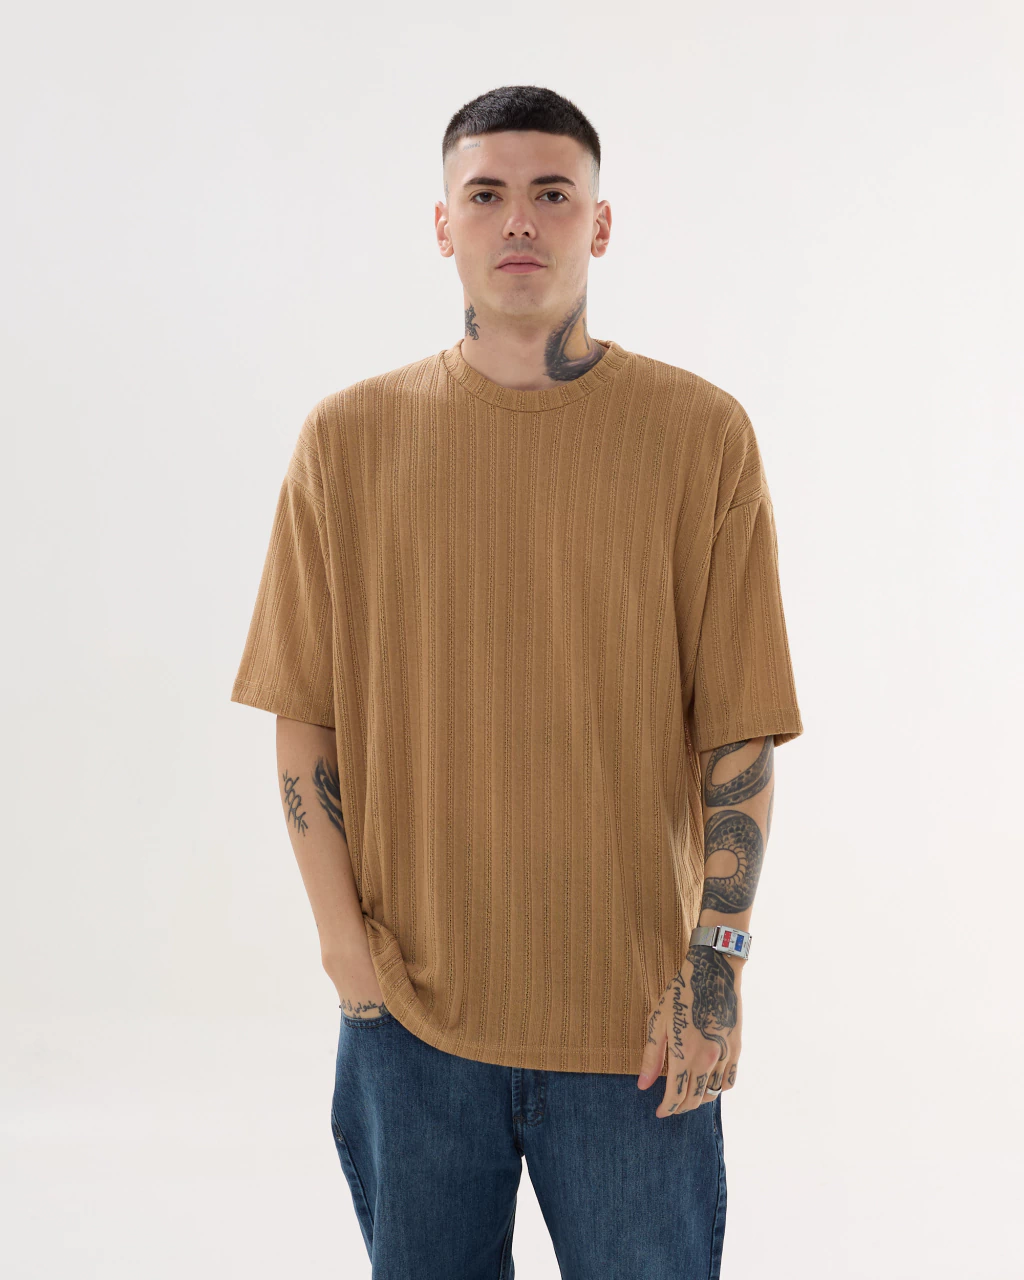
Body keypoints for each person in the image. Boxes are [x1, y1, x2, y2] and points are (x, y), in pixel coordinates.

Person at [230, 83, 803, 1280]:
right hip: (411, 1022)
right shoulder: (347, 439)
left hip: (635, 1026)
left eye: (552, 193)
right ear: (443, 223)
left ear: (601, 222)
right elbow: (304, 720)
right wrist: (346, 955)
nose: (520, 221)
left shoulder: (699, 435)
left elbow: (738, 733)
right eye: (486, 195)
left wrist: (716, 964)